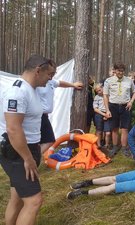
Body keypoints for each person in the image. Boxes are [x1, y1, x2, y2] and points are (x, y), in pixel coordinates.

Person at [0, 55, 56, 225]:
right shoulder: (18, 92)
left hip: (26, 149)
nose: (51, 79)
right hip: (17, 152)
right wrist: (28, 158)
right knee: (34, 201)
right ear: (38, 70)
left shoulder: (31, 89)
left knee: (17, 198)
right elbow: (13, 128)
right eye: (50, 74)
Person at [36, 76, 83, 154]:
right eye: (50, 73)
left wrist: (73, 85)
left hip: (45, 116)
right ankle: (31, 159)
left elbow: (60, 83)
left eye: (53, 73)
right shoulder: (36, 83)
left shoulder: (51, 82)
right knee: (37, 140)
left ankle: (34, 158)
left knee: (50, 140)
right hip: (37, 115)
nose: (51, 75)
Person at [103, 62, 135, 157]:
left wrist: (131, 101)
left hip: (125, 106)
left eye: (122, 71)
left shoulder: (129, 81)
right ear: (115, 70)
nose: (120, 73)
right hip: (113, 106)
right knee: (114, 128)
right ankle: (114, 147)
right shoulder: (108, 81)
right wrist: (107, 110)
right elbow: (105, 96)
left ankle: (124, 148)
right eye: (118, 71)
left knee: (125, 128)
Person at [93, 83, 111, 149]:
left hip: (108, 114)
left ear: (103, 88)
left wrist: (107, 115)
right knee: (99, 131)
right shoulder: (97, 97)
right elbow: (95, 109)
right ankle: (99, 145)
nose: (98, 92)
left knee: (108, 132)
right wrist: (104, 114)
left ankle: (106, 145)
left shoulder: (108, 95)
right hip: (99, 114)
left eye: (99, 90)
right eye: (97, 91)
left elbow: (111, 106)